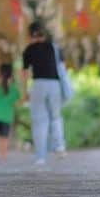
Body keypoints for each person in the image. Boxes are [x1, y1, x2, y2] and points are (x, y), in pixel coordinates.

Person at [21, 21, 67, 168]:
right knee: (55, 116)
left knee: (39, 121)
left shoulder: (28, 50)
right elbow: (62, 68)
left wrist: (25, 91)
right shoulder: (55, 48)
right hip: (54, 84)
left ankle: (40, 157)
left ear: (30, 35)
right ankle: (59, 146)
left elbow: (25, 73)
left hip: (38, 85)